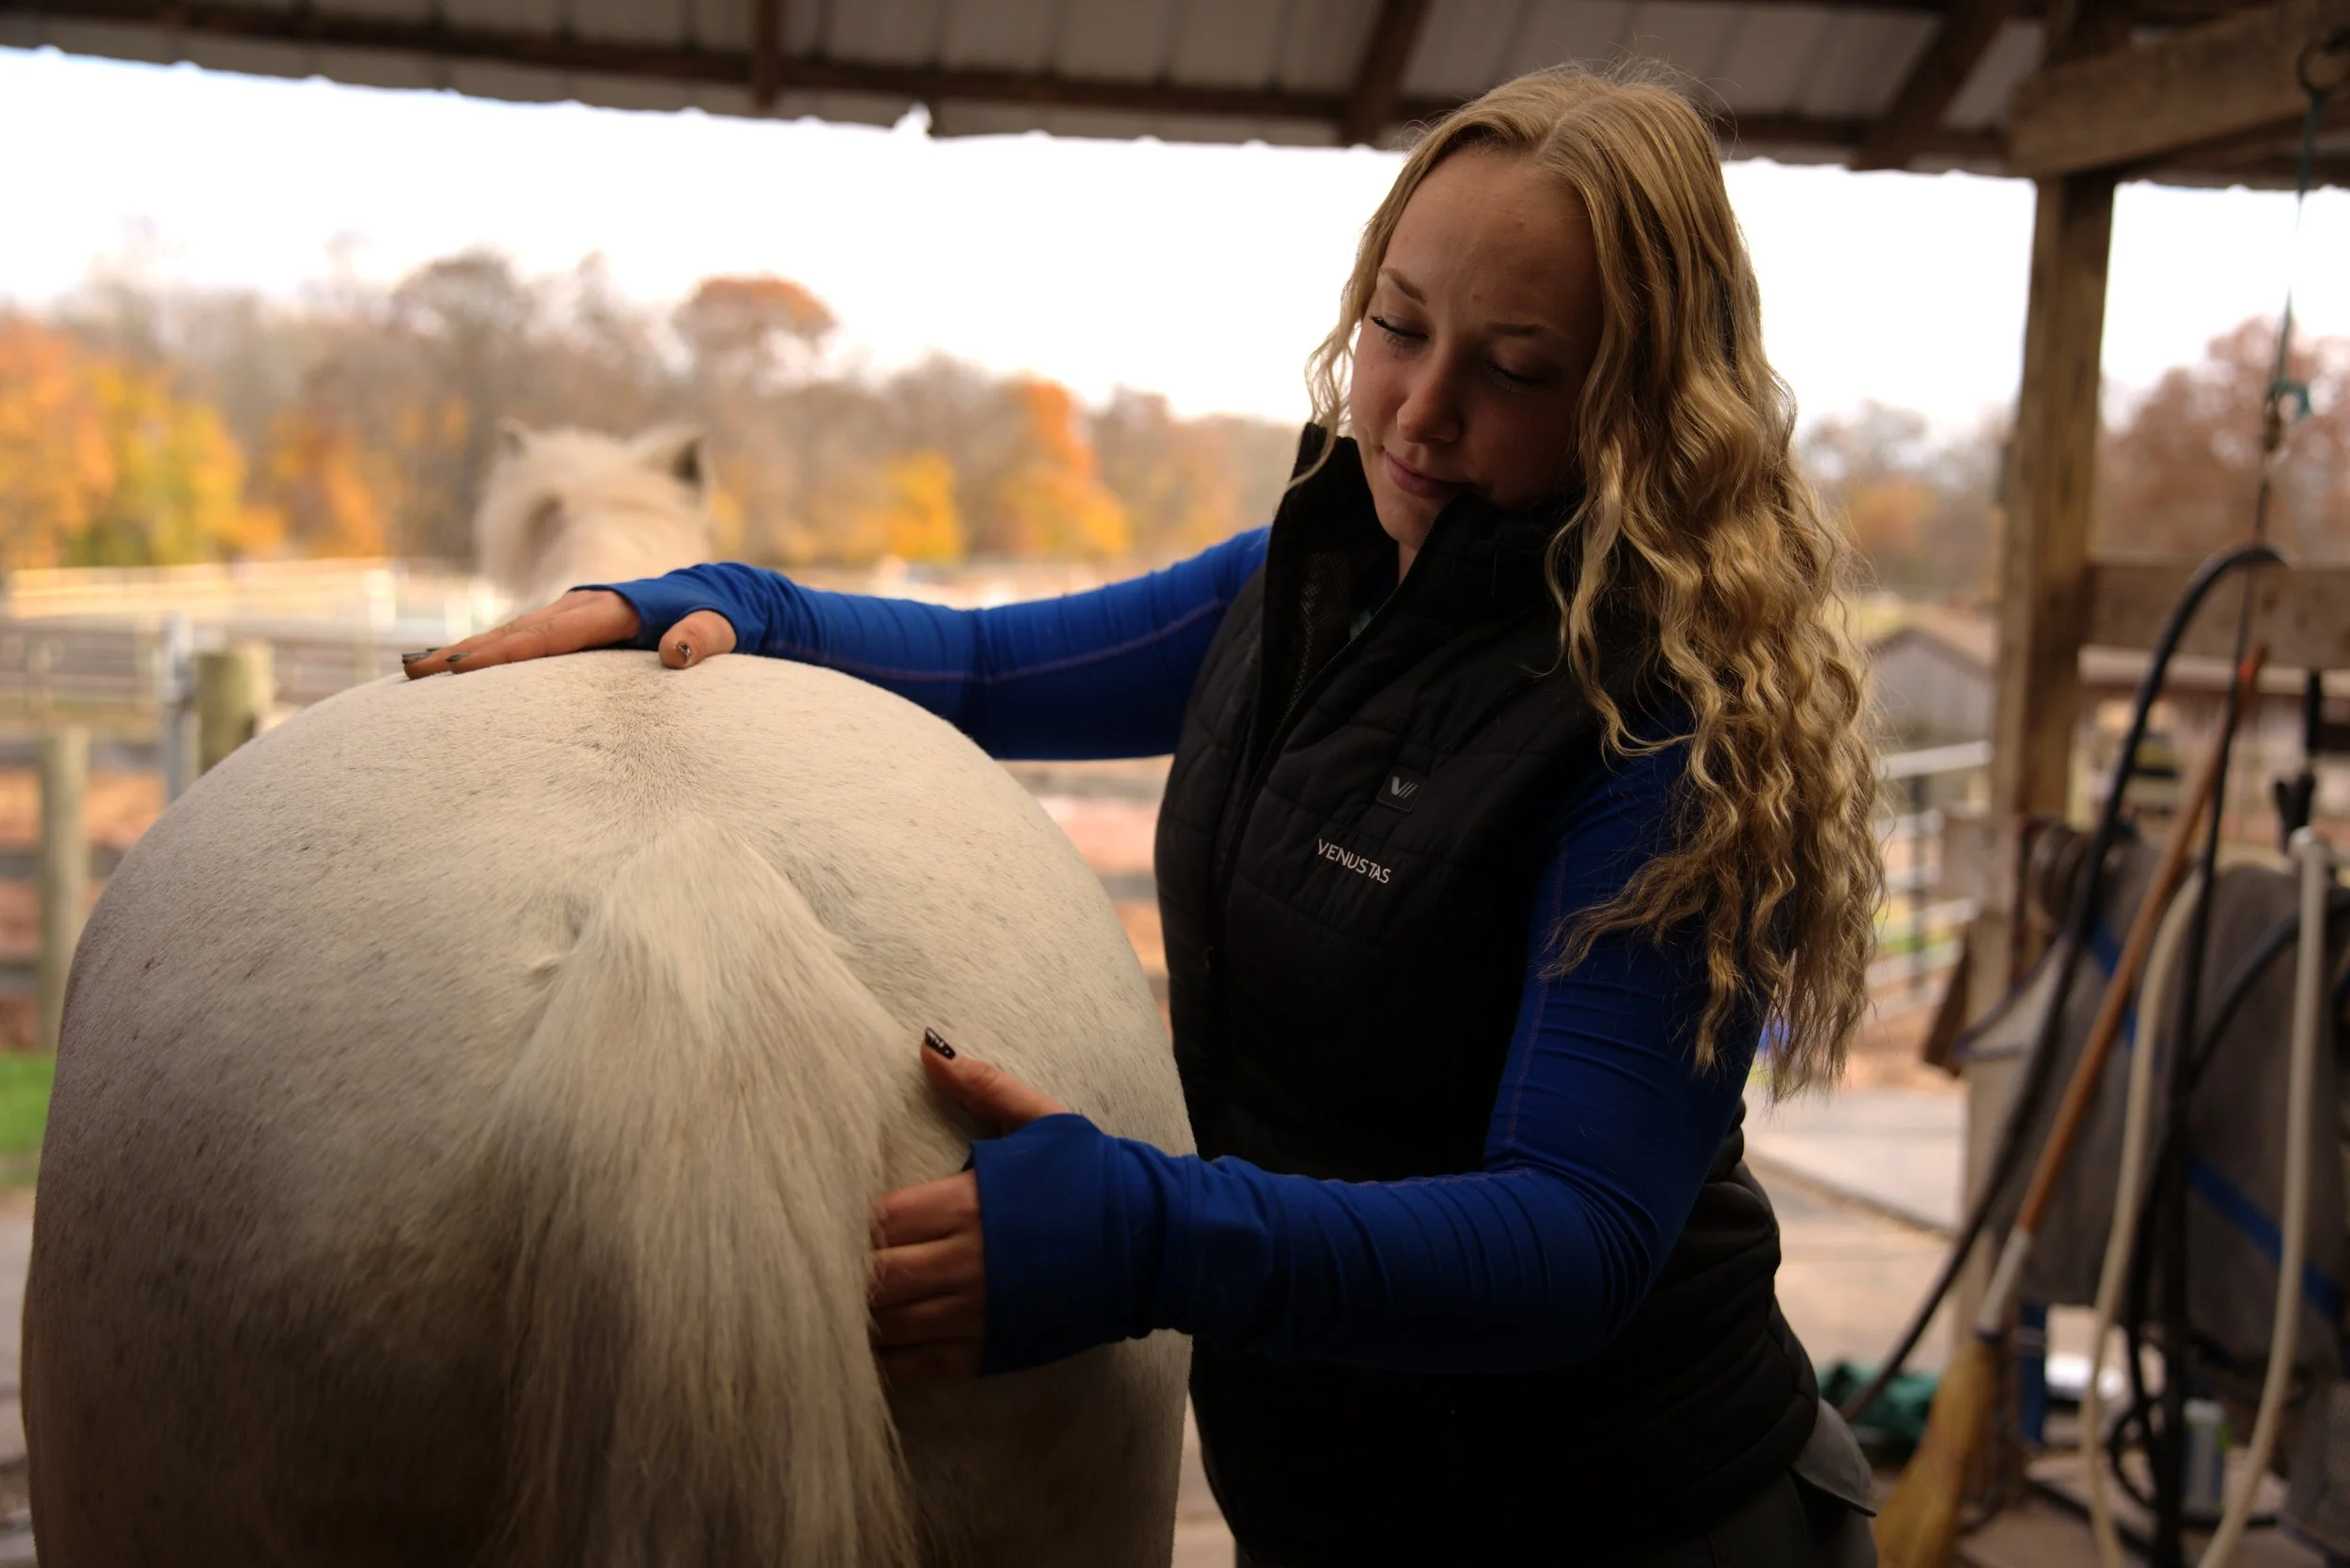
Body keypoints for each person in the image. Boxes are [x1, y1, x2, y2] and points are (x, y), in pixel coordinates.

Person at [408, 65, 1886, 1567]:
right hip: (1330, 1495)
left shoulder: (1672, 720)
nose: (1421, 414)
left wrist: (1144, 1234)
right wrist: (724, 601)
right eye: (1397, 325)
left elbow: (1574, 1240)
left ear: (1638, 402)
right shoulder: (1310, 584)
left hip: (1633, 1520)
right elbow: (990, 664)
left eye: (1513, 367)